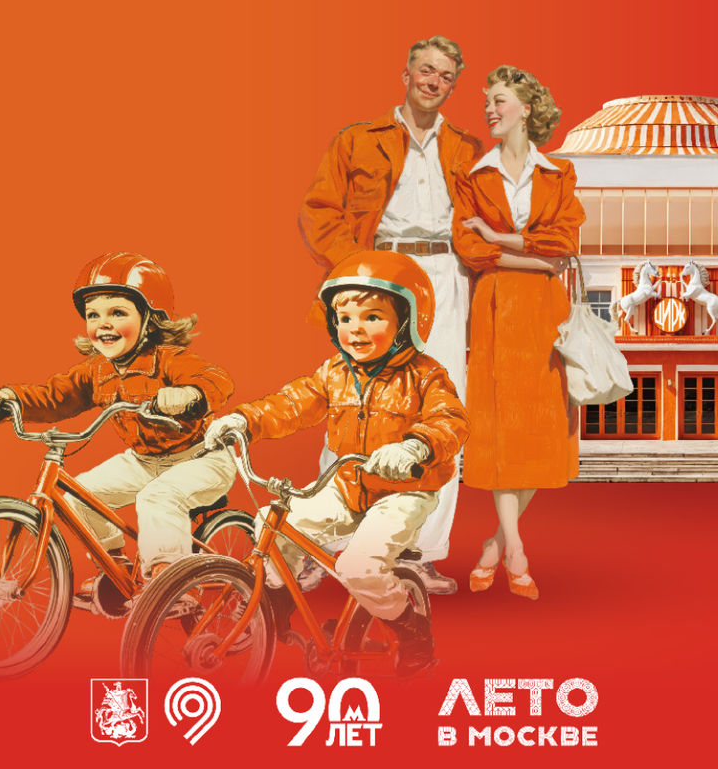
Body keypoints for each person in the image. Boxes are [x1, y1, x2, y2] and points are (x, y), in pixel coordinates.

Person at [205, 249, 467, 676]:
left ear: (408, 321)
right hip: (347, 486)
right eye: (344, 318)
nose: (354, 329)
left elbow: (449, 420)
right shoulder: (333, 373)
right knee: (274, 522)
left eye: (371, 317)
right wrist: (244, 420)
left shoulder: (425, 375)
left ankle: (413, 631)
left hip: (404, 492)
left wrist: (415, 447)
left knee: (358, 568)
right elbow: (291, 403)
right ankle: (274, 606)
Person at [297, 35, 480, 588]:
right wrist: (357, 271)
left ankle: (416, 551)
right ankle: (323, 542)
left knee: (442, 406)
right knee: (355, 400)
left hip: (446, 275)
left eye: (445, 76)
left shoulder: (467, 149)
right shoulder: (358, 139)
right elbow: (318, 212)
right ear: (406, 75)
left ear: (452, 86)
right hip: (381, 271)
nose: (433, 81)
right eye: (426, 70)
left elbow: (492, 217)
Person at [0, 253, 237, 592]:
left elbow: (215, 378)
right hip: (144, 460)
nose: (103, 324)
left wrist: (189, 394)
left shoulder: (169, 359)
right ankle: (115, 566)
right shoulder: (96, 371)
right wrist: (6, 397)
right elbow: (56, 396)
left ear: (151, 319)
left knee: (157, 497)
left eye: (117, 313)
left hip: (200, 457)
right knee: (78, 495)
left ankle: (170, 583)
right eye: (93, 315)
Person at [453, 65, 581, 598]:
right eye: (487, 102)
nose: (489, 109)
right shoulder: (472, 175)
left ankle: (494, 543)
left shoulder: (560, 173)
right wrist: (535, 259)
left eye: (499, 100)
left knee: (540, 428)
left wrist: (501, 237)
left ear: (526, 109)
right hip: (496, 309)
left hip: (546, 312)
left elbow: (565, 241)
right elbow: (470, 249)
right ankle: (517, 551)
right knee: (504, 429)